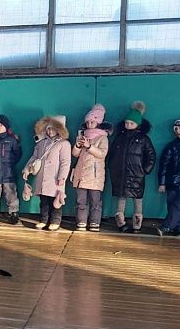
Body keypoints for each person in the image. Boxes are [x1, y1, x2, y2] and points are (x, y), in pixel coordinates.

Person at [108, 101, 156, 233]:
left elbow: (151, 156)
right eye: (126, 122)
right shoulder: (119, 138)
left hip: (137, 175)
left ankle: (137, 225)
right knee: (121, 197)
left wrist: (144, 170)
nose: (128, 125)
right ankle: (120, 222)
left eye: (131, 123)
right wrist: (112, 167)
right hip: (121, 174)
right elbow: (111, 154)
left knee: (137, 199)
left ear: (138, 124)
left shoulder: (143, 139)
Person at [23, 115, 71, 231]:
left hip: (55, 178)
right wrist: (26, 169)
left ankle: (55, 221)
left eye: (53, 129)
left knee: (56, 201)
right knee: (44, 201)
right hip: (42, 178)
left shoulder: (64, 144)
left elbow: (65, 162)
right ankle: (43, 220)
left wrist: (62, 177)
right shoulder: (41, 143)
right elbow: (34, 157)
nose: (50, 131)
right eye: (48, 128)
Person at [70, 105, 111, 231]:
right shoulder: (82, 135)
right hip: (81, 174)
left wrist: (89, 146)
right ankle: (81, 221)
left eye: (92, 121)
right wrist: (77, 145)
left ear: (98, 122)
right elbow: (75, 154)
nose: (89, 124)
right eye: (87, 122)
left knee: (95, 201)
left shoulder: (103, 137)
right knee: (81, 201)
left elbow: (102, 154)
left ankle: (94, 222)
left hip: (95, 175)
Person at [157, 118, 180, 236]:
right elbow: (164, 165)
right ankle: (175, 228)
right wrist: (162, 183)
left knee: (176, 206)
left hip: (173, 181)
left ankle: (167, 226)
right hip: (172, 182)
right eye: (176, 128)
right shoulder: (171, 146)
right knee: (172, 205)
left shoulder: (171, 146)